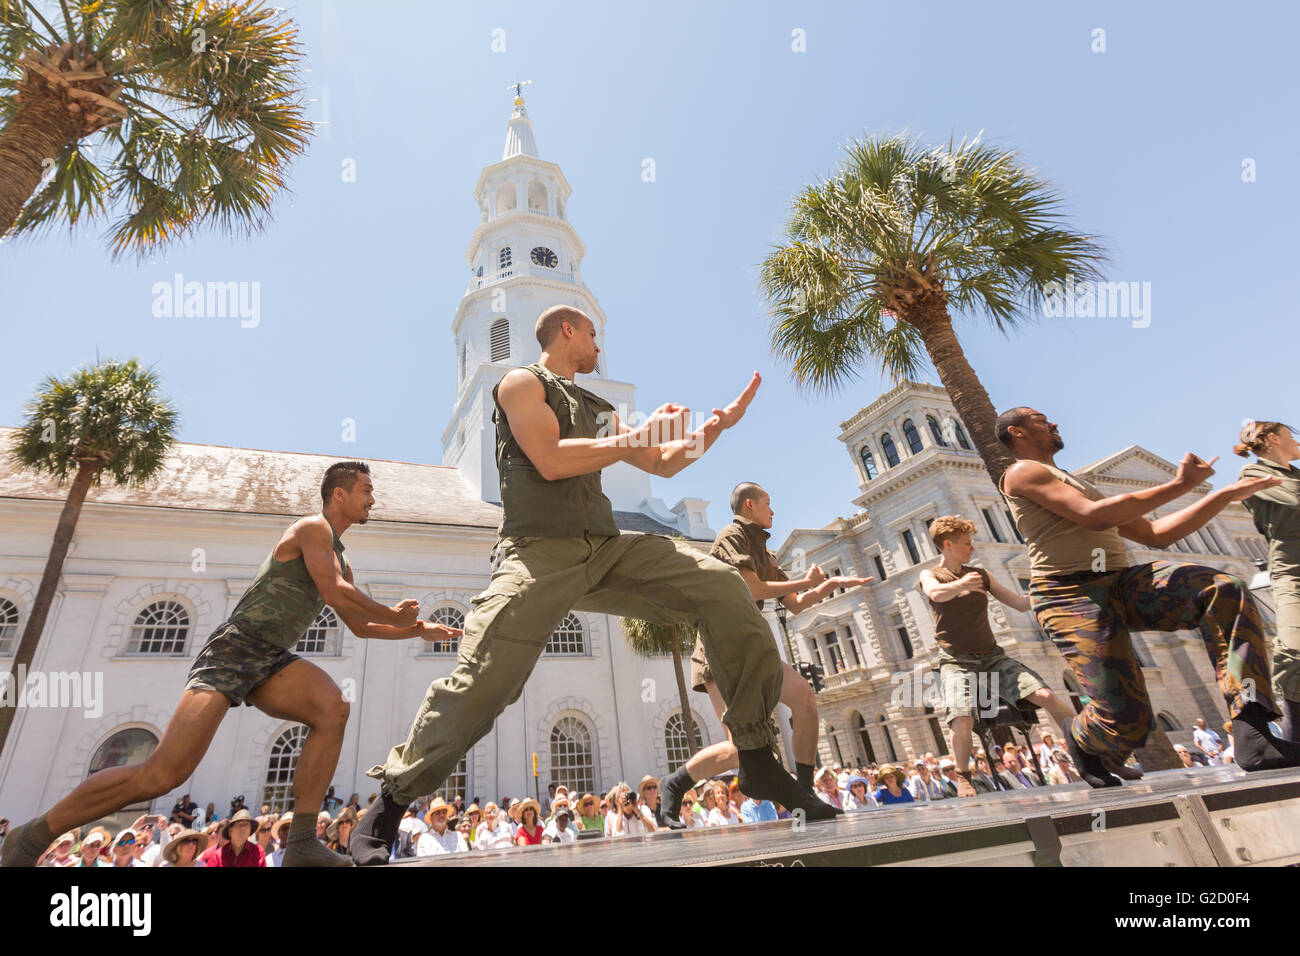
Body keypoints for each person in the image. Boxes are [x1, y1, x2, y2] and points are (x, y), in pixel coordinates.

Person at [350, 307, 835, 863]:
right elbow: (552, 460)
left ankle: (754, 758)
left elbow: (664, 461)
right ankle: (388, 804)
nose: (600, 344)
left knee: (723, 587)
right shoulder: (521, 383)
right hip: (538, 553)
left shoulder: (598, 408)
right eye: (594, 333)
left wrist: (716, 425)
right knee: (486, 682)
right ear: (568, 331)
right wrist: (637, 438)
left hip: (604, 548)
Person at [1, 463, 460, 869]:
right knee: (163, 774)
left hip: (270, 660)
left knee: (332, 709)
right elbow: (338, 593)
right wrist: (395, 614)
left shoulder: (341, 559)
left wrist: (414, 630)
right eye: (366, 490)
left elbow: (357, 626)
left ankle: (301, 841)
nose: (372, 499)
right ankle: (34, 834)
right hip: (235, 649)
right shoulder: (312, 529)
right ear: (339, 494)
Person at [996, 407, 1300, 787]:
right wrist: (1180, 484)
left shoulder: (1071, 479)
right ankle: (1080, 735)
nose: (1055, 422)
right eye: (1042, 420)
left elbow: (1156, 534)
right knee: (1127, 722)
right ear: (1017, 432)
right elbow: (1094, 516)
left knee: (1222, 588)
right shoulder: (1024, 472)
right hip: (1070, 596)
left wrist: (1222, 495)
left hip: (1121, 582)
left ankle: (1253, 731)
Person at [658, 483, 872, 827]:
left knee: (804, 697)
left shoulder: (766, 554)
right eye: (767, 504)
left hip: (752, 649)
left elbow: (796, 605)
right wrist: (803, 582)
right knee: (737, 747)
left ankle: (803, 791)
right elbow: (753, 588)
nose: (773, 510)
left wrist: (826, 587)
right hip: (721, 650)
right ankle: (675, 783)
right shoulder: (731, 535)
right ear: (749, 505)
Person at [918, 516, 1078, 789]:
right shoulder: (931, 575)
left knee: (1045, 695)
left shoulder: (980, 575)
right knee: (963, 717)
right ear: (948, 544)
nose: (972, 548)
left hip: (992, 656)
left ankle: (1088, 747)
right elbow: (936, 594)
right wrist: (961, 586)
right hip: (956, 660)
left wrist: (1051, 591)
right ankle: (964, 778)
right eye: (967, 543)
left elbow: (1018, 603)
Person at [1236, 420, 1300, 742]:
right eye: (1293, 434)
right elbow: (1295, 500)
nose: (1298, 439)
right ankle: (1294, 736)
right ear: (1273, 439)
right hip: (1293, 571)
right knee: (1294, 648)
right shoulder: (1254, 475)